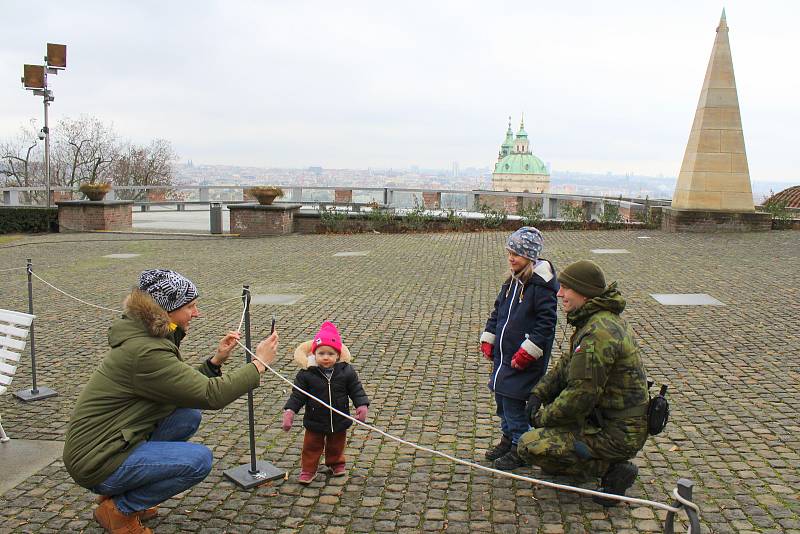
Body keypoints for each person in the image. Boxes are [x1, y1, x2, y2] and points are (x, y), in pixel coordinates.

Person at [63, 269, 279, 534]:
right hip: (97, 460)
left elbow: (182, 388)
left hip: (111, 442)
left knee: (187, 416)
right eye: (190, 306)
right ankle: (120, 510)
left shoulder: (145, 339)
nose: (196, 313)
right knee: (198, 460)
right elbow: (212, 395)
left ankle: (126, 493)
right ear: (165, 311)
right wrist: (259, 364)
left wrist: (216, 361)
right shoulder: (146, 351)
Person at [517, 260, 650, 506]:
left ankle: (610, 469)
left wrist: (541, 418)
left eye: (566, 288)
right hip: (610, 421)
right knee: (546, 440)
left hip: (617, 432)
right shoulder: (596, 320)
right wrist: (538, 394)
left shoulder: (599, 333)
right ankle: (579, 460)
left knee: (530, 444)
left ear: (584, 292)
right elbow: (566, 365)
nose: (559, 293)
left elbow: (579, 396)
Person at [479, 227, 559, 470]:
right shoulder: (511, 282)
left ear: (530, 256)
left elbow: (546, 324)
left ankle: (520, 446)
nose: (511, 257)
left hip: (523, 360)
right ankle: (508, 438)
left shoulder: (541, 287)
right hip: (505, 357)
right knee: (502, 403)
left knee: (515, 405)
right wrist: (489, 336)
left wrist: (528, 351)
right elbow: (498, 311)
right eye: (510, 252)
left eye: (517, 254)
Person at [282, 321, 370, 484]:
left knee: (336, 444)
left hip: (339, 416)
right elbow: (297, 396)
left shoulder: (346, 371)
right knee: (311, 446)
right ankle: (308, 470)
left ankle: (336, 463)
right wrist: (290, 411)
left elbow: (356, 389)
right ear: (314, 354)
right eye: (321, 353)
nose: (326, 357)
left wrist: (361, 405)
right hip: (315, 419)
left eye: (330, 353)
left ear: (337, 355)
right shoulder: (307, 374)